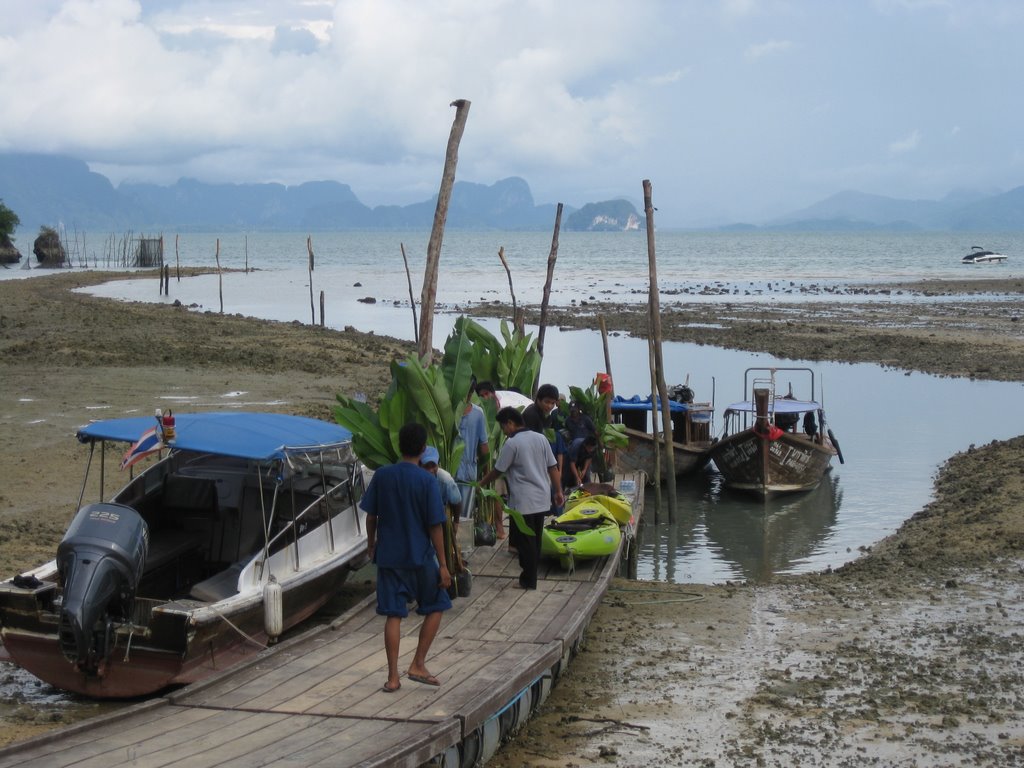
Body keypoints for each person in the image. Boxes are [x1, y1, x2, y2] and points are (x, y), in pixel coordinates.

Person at [360, 423, 452, 693]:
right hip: (420, 556)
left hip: (389, 556)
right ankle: (418, 663)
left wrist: (371, 544)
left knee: (393, 615)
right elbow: (436, 525)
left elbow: (371, 516)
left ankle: (392, 678)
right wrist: (444, 565)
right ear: (423, 450)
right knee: (437, 605)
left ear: (399, 446)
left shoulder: (383, 476)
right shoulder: (426, 481)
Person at [479, 406, 563, 590]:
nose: (504, 433)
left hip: (523, 501)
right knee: (536, 540)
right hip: (542, 498)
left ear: (510, 423)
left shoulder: (512, 443)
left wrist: (481, 483)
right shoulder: (540, 438)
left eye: (503, 428)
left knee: (526, 543)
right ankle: (531, 577)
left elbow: (498, 470)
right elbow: (553, 467)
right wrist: (558, 491)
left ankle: (528, 580)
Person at [455, 387, 489, 530]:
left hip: (469, 469)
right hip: (450, 469)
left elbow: (483, 444)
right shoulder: (448, 410)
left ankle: (460, 546)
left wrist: (486, 472)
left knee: (465, 512)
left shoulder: (478, 413)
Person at [421, 445, 462, 525]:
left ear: (438, 464)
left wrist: (456, 522)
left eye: (433, 466)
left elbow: (457, 502)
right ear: (420, 465)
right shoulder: (415, 479)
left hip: (441, 518)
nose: (430, 470)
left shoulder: (446, 480)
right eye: (426, 467)